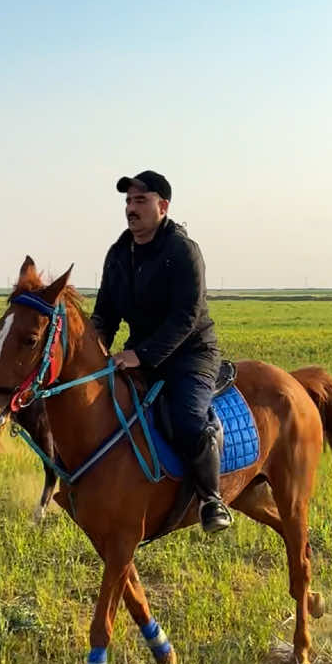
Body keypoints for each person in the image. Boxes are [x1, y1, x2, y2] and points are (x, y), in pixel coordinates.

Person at [90, 171, 232, 534]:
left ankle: (211, 498)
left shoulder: (183, 250)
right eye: (127, 202)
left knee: (187, 419)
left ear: (163, 206)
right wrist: (93, 353)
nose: (131, 209)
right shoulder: (119, 253)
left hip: (190, 355)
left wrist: (143, 354)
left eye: (140, 200)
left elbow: (187, 315)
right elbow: (105, 314)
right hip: (140, 353)